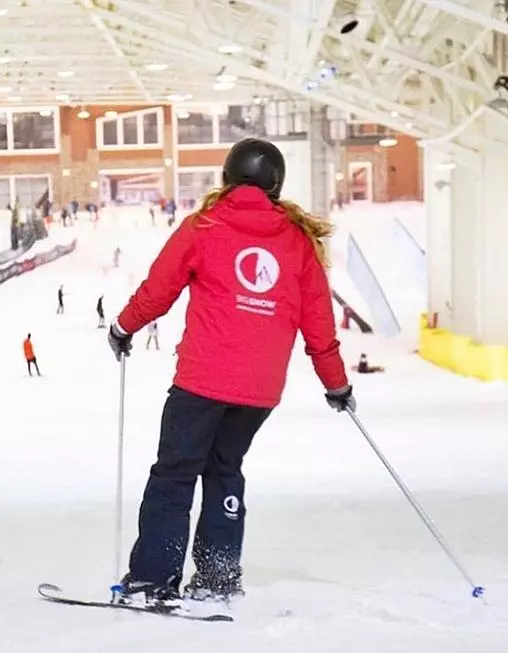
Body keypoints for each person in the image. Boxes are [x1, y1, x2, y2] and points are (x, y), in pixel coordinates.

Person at [105, 137, 353, 605]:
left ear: (227, 177)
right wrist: (336, 384)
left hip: (201, 381)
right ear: (276, 185)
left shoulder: (206, 225)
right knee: (224, 470)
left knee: (175, 475)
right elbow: (319, 326)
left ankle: (153, 578)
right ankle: (217, 576)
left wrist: (123, 326)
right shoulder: (298, 242)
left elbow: (159, 289)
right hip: (258, 392)